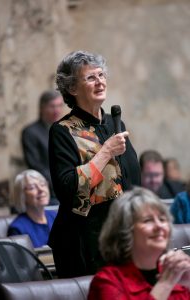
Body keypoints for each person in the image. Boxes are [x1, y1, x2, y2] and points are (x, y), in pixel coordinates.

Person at [48, 50, 141, 278]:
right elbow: (68, 190)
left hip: (120, 235)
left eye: (101, 75)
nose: (100, 81)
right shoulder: (62, 131)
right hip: (82, 242)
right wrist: (106, 151)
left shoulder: (114, 123)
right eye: (90, 78)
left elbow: (131, 181)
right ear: (72, 88)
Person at [88, 187, 190, 300]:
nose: (159, 226)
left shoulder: (175, 272)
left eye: (162, 219)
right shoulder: (107, 282)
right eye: (148, 220)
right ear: (125, 231)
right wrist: (165, 284)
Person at [22, 90, 64, 205]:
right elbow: (35, 164)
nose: (57, 110)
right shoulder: (30, 132)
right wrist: (60, 183)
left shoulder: (66, 129)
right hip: (48, 192)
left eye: (60, 105)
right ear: (42, 108)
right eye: (52, 106)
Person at [8, 169, 57, 248]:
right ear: (22, 195)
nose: (41, 190)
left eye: (43, 184)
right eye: (32, 187)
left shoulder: (55, 216)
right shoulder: (17, 228)